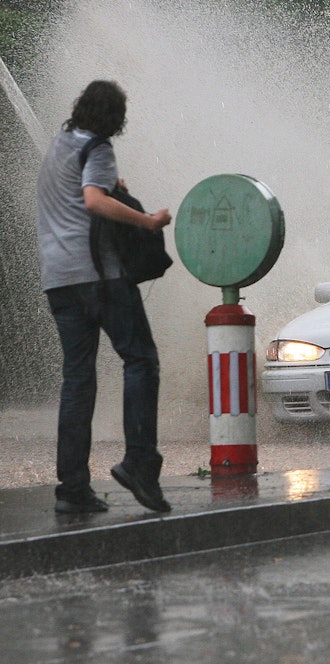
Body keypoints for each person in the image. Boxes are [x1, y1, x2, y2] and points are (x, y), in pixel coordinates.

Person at [36, 80, 173, 514]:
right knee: (141, 359)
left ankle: (72, 489)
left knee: (78, 380)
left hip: (59, 281)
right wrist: (148, 221)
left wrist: (113, 186)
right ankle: (138, 461)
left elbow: (83, 194)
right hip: (100, 277)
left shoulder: (60, 146)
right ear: (115, 119)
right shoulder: (97, 148)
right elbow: (93, 202)